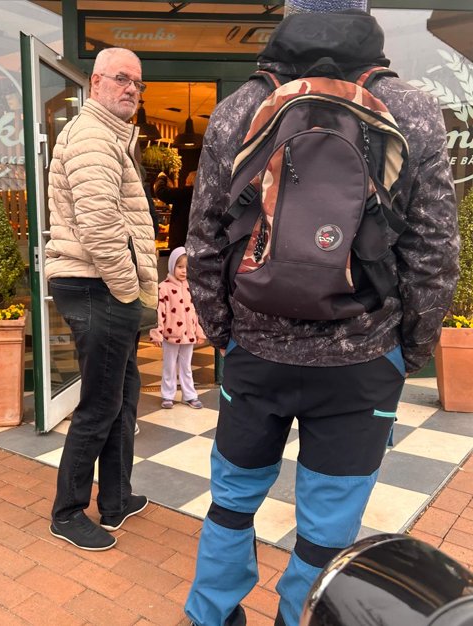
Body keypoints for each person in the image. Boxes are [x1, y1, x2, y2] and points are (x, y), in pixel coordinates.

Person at [184, 2, 459, 626]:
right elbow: (435, 252)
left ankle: (210, 615)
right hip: (362, 361)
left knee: (231, 502)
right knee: (327, 528)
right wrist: (408, 349)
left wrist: (228, 335)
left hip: (255, 351)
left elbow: (204, 240)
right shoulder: (412, 109)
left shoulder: (240, 106)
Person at [45, 47, 158, 551]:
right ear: (96, 83)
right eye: (121, 79)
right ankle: (67, 512)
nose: (132, 89)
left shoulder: (109, 135)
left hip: (102, 284)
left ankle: (116, 499)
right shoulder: (93, 136)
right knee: (100, 404)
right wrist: (129, 289)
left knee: (123, 397)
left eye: (138, 83)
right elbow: (99, 227)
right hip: (98, 285)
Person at [150, 246, 206, 410]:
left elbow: (197, 312)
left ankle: (190, 395)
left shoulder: (191, 287)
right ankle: (168, 395)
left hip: (188, 335)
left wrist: (199, 332)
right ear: (172, 266)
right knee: (169, 366)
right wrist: (157, 334)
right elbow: (158, 312)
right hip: (170, 335)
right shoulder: (163, 287)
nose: (183, 271)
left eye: (187, 267)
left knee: (186, 367)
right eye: (180, 266)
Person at [153, 170, 197, 251]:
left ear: (191, 180)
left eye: (188, 177)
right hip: (193, 242)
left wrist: (161, 178)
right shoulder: (200, 195)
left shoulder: (187, 192)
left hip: (180, 243)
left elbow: (161, 192)